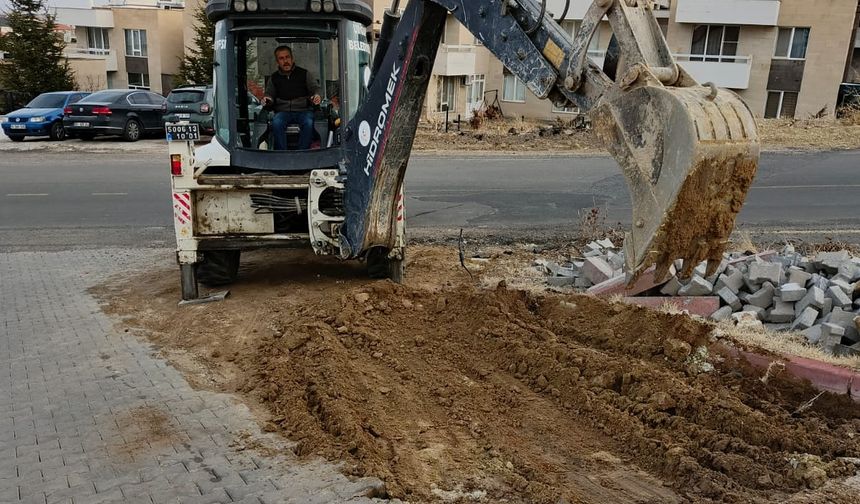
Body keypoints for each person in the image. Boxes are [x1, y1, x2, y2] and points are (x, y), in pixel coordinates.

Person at [262, 46, 321, 150]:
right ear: (277, 61)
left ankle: (302, 152)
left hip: (303, 111)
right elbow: (269, 94)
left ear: (292, 58)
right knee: (276, 122)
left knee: (308, 122)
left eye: (287, 57)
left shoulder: (304, 74)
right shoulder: (274, 78)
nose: (285, 61)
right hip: (282, 112)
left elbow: (316, 89)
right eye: (281, 58)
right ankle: (282, 154)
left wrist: (317, 95)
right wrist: (267, 99)